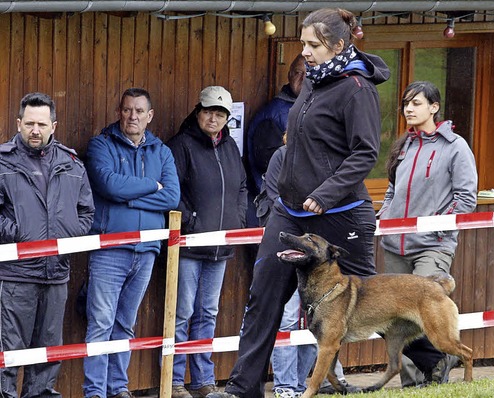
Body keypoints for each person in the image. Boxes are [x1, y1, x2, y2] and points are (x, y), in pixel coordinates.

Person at [207, 7, 390, 398]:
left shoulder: (358, 90)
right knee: (263, 296)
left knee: (376, 295)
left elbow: (365, 154)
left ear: (339, 46)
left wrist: (324, 194)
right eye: (303, 43)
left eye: (313, 45)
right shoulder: (311, 82)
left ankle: (429, 358)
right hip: (289, 214)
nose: (304, 52)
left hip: (340, 215)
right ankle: (243, 388)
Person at [377, 81, 477, 388]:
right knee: (400, 318)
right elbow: (392, 189)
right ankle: (411, 383)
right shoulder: (403, 145)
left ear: (434, 107)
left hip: (433, 246)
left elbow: (466, 197)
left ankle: (438, 366)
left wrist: (438, 227)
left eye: (416, 103)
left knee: (427, 308)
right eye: (406, 103)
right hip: (395, 245)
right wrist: (385, 214)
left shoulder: (455, 146)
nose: (409, 108)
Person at [83, 88, 180, 398]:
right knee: (100, 322)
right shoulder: (101, 144)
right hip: (110, 248)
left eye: (139, 111)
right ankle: (95, 392)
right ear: (118, 112)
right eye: (127, 110)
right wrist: (152, 185)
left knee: (125, 324)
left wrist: (129, 200)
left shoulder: (161, 151)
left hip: (147, 250)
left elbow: (172, 197)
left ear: (149, 116)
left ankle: (118, 388)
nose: (132, 116)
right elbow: (109, 185)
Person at [0, 92, 94, 398]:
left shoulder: (71, 163)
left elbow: (86, 211)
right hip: (16, 276)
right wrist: (18, 233)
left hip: (56, 275)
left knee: (48, 353)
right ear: (18, 123)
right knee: (9, 352)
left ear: (54, 125)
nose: (35, 130)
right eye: (29, 123)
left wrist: (68, 236)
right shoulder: (3, 162)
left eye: (41, 123)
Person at [166, 86, 247, 398]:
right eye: (209, 111)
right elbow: (172, 193)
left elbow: (241, 186)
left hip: (221, 246)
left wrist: (237, 220)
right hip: (189, 246)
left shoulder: (229, 147)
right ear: (197, 111)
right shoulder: (181, 145)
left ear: (226, 118)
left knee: (208, 313)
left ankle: (202, 381)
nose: (213, 118)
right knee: (182, 313)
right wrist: (192, 222)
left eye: (220, 113)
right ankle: (174, 382)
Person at [258, 139, 356, 398]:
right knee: (289, 318)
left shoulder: (324, 156)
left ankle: (302, 382)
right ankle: (285, 385)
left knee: (317, 322)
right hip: (289, 242)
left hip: (315, 253)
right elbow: (275, 198)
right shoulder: (281, 156)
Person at [246, 54, 306, 227]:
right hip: (275, 210)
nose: (303, 79)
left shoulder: (310, 108)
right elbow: (269, 166)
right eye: (297, 73)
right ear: (289, 75)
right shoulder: (273, 115)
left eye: (308, 74)